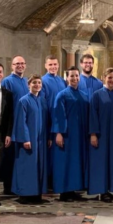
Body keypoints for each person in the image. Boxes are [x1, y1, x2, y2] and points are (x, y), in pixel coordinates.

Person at [52, 66, 89, 202]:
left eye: (76, 76)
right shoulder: (62, 95)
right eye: (71, 76)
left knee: (76, 162)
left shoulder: (84, 95)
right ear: (66, 78)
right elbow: (58, 115)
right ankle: (64, 192)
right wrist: (59, 133)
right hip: (67, 135)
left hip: (80, 135)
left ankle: (73, 190)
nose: (74, 78)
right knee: (65, 162)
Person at [89, 68, 113, 202]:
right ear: (103, 78)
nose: (112, 80)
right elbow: (93, 115)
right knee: (101, 163)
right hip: (101, 135)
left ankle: (112, 189)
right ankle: (102, 190)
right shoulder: (97, 95)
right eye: (109, 78)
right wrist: (93, 134)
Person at [12, 75, 49, 204]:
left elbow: (47, 121)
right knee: (27, 167)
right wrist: (25, 139)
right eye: (34, 83)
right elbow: (21, 122)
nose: (37, 85)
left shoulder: (43, 101)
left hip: (41, 140)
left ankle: (36, 194)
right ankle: (24, 195)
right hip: (29, 140)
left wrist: (48, 137)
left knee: (39, 166)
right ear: (29, 85)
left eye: (39, 82)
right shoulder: (24, 101)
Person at [1, 55, 29, 195]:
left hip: (25, 124)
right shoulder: (7, 81)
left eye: (22, 63)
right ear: (12, 66)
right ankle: (8, 187)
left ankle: (19, 185)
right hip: (12, 124)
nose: (20, 65)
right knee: (9, 157)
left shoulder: (26, 81)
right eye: (17, 63)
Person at [41, 55, 67, 184]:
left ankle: (58, 178)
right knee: (49, 151)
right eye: (50, 64)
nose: (53, 67)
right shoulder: (43, 81)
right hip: (48, 120)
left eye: (55, 64)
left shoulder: (62, 81)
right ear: (45, 66)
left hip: (61, 121)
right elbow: (43, 103)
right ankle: (49, 180)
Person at [0, 63, 13, 206]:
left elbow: (9, 117)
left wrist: (9, 133)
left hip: (2, 133)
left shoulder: (7, 93)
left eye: (0, 72)